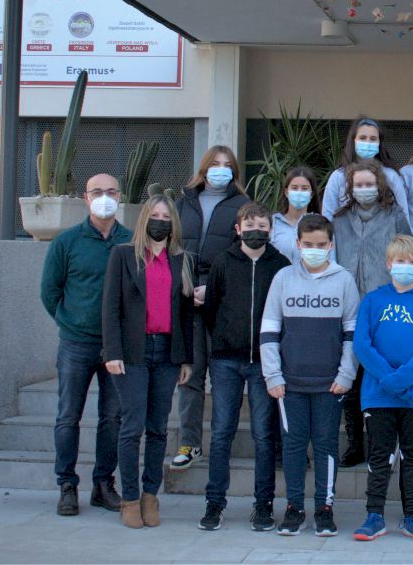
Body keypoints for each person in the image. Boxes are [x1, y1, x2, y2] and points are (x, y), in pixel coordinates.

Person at [260, 213, 360, 538]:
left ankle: (324, 508)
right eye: (308, 244)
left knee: (326, 445)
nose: (314, 249)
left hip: (330, 384)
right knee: (293, 445)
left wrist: (346, 373)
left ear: (330, 245)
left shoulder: (344, 280)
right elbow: (269, 330)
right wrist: (273, 375)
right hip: (289, 384)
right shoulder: (283, 278)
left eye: (321, 244)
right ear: (298, 244)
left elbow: (352, 332)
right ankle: (294, 507)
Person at [101, 195, 195, 529]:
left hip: (167, 352)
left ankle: (150, 496)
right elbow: (110, 306)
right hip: (132, 353)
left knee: (158, 429)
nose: (160, 221)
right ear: (144, 219)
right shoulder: (123, 255)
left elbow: (186, 314)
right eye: (155, 215)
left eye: (166, 217)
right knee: (132, 427)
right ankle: (129, 499)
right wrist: (112, 352)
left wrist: (186, 359)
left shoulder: (181, 259)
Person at [39, 172, 129, 517]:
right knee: (68, 416)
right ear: (86, 198)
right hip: (76, 344)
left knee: (113, 417)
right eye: (97, 192)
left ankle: (103, 484)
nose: (105, 197)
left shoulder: (129, 241)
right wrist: (69, 321)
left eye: (111, 192)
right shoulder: (67, 242)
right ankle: (67, 484)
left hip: (116, 346)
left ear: (119, 197)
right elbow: (49, 291)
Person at [198, 202, 291, 532]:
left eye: (263, 225)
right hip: (226, 360)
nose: (257, 230)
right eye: (250, 225)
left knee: (264, 435)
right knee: (222, 431)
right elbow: (211, 308)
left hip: (264, 362)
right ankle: (215, 503)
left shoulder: (281, 265)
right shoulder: (223, 261)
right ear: (238, 229)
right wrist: (225, 337)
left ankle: (263, 505)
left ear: (271, 230)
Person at [352, 235, 413, 543]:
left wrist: (399, 382)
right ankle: (374, 515)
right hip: (379, 395)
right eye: (400, 261)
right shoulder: (372, 300)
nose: (406, 266)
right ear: (389, 263)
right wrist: (393, 382)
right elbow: (362, 346)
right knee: (379, 455)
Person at [172, 145, 248, 472]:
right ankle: (189, 443)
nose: (221, 169)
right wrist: (184, 287)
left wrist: (214, 289)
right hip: (185, 294)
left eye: (227, 164)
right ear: (203, 167)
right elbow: (171, 247)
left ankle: (220, 442)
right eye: (215, 163)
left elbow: (243, 257)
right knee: (190, 372)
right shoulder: (183, 203)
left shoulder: (242, 206)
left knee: (222, 376)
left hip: (223, 302)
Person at [332, 161, 412, 466]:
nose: (364, 189)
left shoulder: (395, 215)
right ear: (350, 189)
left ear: (380, 187)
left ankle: (382, 443)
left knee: (379, 371)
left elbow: (408, 252)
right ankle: (355, 442)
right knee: (350, 374)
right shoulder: (339, 219)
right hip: (349, 304)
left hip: (384, 304)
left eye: (369, 184)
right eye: (359, 185)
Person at [321, 117, 410, 218]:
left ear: (379, 142)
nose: (368, 142)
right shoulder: (338, 177)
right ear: (354, 140)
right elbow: (327, 216)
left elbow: (403, 215)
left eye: (373, 139)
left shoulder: (391, 176)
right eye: (362, 138)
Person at [270, 166, 320, 265]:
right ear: (286, 192)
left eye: (304, 188)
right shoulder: (273, 222)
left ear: (311, 194)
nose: (299, 192)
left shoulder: (321, 224)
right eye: (294, 188)